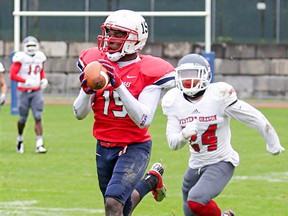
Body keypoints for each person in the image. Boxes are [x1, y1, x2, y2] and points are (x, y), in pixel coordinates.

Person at [73, 9, 175, 216]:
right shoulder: (94, 61)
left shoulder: (149, 70)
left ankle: (149, 180)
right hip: (103, 145)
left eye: (118, 34)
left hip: (134, 146)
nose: (110, 39)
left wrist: (119, 85)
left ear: (136, 39)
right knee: (122, 207)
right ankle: (151, 181)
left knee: (113, 204)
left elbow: (144, 120)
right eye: (108, 32)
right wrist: (86, 90)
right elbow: (78, 113)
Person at [161, 53, 285, 216]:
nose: (188, 80)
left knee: (196, 200)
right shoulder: (174, 100)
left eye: (194, 75)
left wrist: (272, 141)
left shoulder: (218, 96)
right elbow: (172, 143)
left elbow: (252, 117)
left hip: (221, 161)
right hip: (196, 163)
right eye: (185, 75)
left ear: (205, 75)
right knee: (189, 209)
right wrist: (184, 134)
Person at [10, 36, 48, 154]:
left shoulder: (40, 57)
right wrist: (25, 81)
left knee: (38, 116)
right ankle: (20, 139)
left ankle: (39, 144)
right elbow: (12, 75)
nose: (31, 49)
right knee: (22, 119)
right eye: (29, 46)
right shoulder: (20, 57)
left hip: (36, 90)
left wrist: (43, 79)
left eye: (33, 46)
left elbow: (40, 71)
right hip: (24, 91)